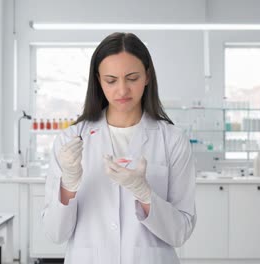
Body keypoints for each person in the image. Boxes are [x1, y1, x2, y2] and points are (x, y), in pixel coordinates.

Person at [42, 32, 196, 264]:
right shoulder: (71, 140)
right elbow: (56, 234)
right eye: (111, 80)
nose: (122, 90)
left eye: (132, 78)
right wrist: (68, 186)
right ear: (98, 81)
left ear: (147, 76)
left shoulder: (171, 140)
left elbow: (180, 233)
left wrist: (145, 195)